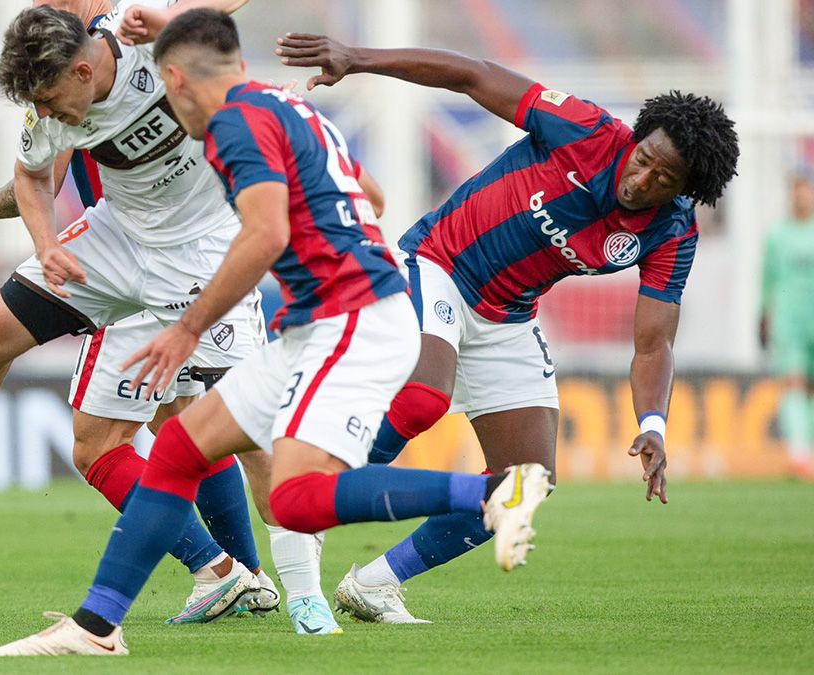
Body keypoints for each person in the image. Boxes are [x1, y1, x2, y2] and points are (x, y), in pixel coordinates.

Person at [0, 9, 552, 657]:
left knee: (296, 497)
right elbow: (369, 196)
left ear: (174, 79)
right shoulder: (284, 107)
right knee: (178, 450)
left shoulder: (234, 124)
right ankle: (97, 627)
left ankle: (492, 492)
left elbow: (266, 235)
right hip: (328, 316)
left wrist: (186, 331)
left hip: (354, 319)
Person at [0, 0, 284, 625]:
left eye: (54, 100)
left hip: (204, 254)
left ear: (86, 64)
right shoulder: (55, 87)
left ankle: (288, 589)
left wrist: (169, 19)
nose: (50, 112)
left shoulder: (145, 34)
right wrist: (42, 244)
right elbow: (35, 178)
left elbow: (213, 30)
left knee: (226, 430)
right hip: (116, 242)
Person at [272, 33, 740, 623]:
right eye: (644, 158)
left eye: (664, 179)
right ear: (637, 135)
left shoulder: (672, 233)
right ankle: (312, 499)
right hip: (437, 263)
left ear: (686, 191)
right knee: (420, 400)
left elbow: (654, 343)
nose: (643, 179)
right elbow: (471, 74)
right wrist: (358, 59)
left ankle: (375, 584)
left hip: (508, 314)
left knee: (528, 483)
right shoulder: (586, 129)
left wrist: (654, 425)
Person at [760, 175, 814, 481]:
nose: (801, 198)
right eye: (796, 192)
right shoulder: (777, 236)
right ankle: (799, 454)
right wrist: (763, 315)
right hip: (790, 322)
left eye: (805, 192)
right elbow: (767, 281)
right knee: (793, 383)